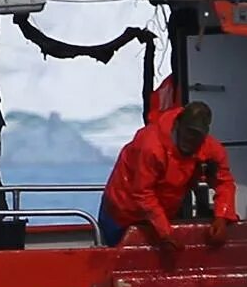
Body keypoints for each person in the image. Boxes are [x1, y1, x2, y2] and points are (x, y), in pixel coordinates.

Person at [98, 101, 238, 252]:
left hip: (162, 214)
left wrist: (221, 217)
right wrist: (165, 233)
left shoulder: (212, 150)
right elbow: (142, 193)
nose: (190, 139)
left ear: (205, 134)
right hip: (123, 213)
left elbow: (224, 182)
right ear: (177, 125)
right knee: (121, 259)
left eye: (197, 135)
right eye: (188, 131)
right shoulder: (151, 146)